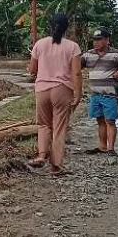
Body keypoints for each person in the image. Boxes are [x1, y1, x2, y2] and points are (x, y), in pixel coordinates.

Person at [27, 13, 82, 175]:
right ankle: (56, 165)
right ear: (67, 28)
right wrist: (78, 94)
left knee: (43, 124)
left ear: (50, 26)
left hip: (42, 90)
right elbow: (77, 73)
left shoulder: (40, 44)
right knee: (59, 127)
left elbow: (32, 70)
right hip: (62, 89)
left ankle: (41, 156)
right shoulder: (73, 47)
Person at [81, 28, 118, 154]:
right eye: (94, 40)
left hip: (109, 95)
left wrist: (116, 75)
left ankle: (111, 148)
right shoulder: (89, 54)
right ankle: (102, 146)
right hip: (95, 94)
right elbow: (77, 64)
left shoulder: (116, 54)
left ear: (107, 40)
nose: (96, 42)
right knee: (100, 120)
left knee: (110, 121)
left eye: (99, 40)